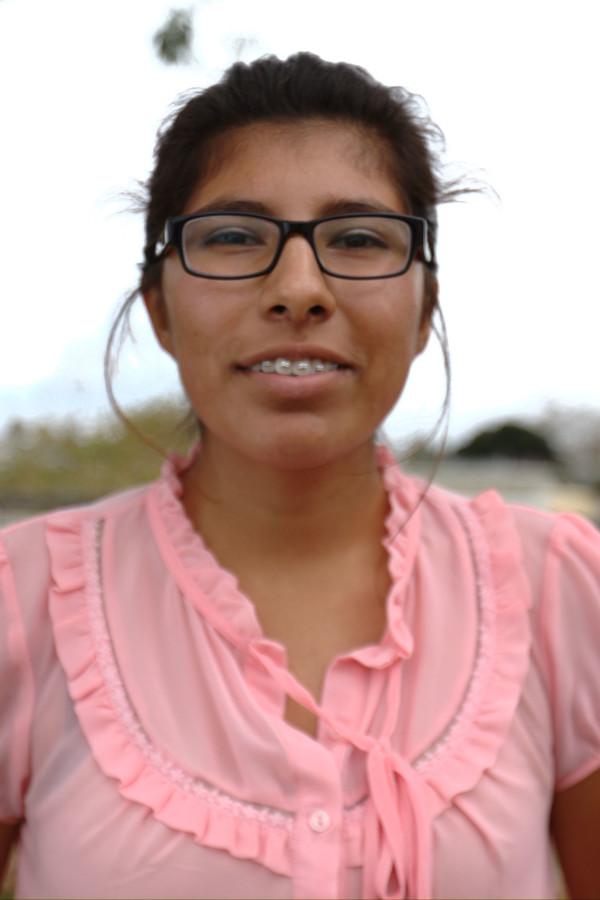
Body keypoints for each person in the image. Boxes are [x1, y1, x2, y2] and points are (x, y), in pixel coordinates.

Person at [1, 52, 599, 900]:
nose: (298, 289)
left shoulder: (561, 596)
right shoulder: (22, 608)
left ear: (426, 308)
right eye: (235, 236)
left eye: (357, 239)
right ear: (160, 309)